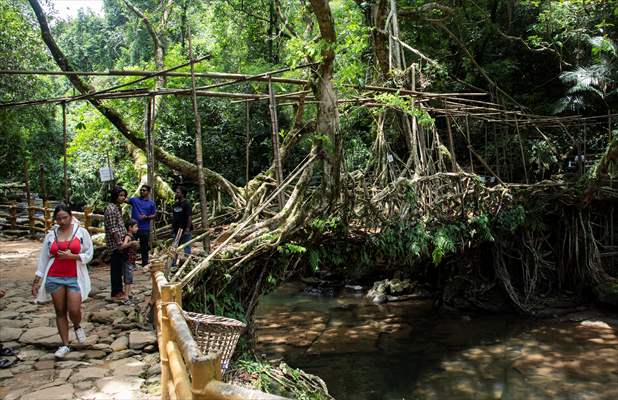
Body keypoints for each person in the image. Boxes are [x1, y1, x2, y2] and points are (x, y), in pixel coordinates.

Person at [31, 204, 93, 358]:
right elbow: (44, 258)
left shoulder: (81, 232)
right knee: (60, 311)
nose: (62, 221)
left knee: (74, 309)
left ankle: (77, 325)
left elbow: (89, 253)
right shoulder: (51, 234)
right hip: (54, 275)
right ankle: (65, 344)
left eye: (65, 217)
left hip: (74, 276)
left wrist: (73, 256)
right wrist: (37, 281)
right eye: (58, 218)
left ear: (71, 216)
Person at [104, 186, 127, 300]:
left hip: (120, 243)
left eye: (124, 195)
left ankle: (119, 290)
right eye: (120, 195)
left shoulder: (117, 207)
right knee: (116, 269)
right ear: (115, 196)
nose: (123, 198)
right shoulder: (111, 209)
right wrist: (119, 243)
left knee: (119, 268)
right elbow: (113, 229)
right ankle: (116, 292)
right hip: (115, 245)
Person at [126, 184, 156, 268]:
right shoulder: (134, 200)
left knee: (144, 246)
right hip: (133, 228)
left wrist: (146, 217)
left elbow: (154, 215)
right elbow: (124, 200)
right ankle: (130, 263)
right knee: (131, 246)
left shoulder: (151, 203)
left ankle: (145, 263)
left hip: (144, 228)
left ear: (148, 192)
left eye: (144, 190)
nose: (142, 191)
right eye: (141, 190)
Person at [121, 219, 139, 303]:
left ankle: (129, 294)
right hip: (127, 260)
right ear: (130, 228)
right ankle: (126, 296)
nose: (137, 228)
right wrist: (131, 243)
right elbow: (123, 246)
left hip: (131, 260)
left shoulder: (132, 236)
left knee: (130, 278)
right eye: (135, 227)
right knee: (128, 279)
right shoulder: (128, 236)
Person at [172, 186, 192, 254]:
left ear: (183, 194)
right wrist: (173, 228)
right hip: (177, 230)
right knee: (175, 247)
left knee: (186, 246)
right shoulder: (175, 204)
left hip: (184, 229)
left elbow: (189, 216)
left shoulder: (187, 204)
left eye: (178, 192)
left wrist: (188, 228)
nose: (176, 194)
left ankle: (187, 263)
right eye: (176, 192)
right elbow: (174, 216)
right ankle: (173, 263)